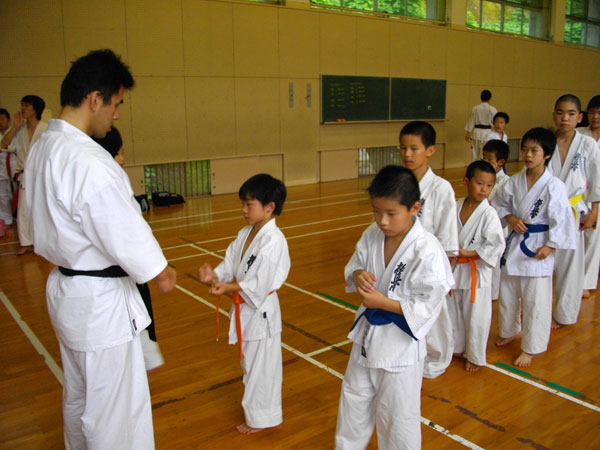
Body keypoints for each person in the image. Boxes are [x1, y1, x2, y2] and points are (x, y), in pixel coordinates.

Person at [25, 49, 176, 450]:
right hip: (99, 303)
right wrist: (160, 270)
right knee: (114, 412)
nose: (116, 114)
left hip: (67, 290)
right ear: (95, 99)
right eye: (116, 103)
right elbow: (123, 232)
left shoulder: (43, 146)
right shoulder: (89, 160)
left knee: (80, 395)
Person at [335, 165, 453, 449]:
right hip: (366, 338)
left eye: (391, 213)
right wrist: (358, 274)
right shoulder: (372, 234)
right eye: (376, 212)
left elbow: (428, 304)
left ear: (414, 208)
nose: (382, 221)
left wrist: (383, 303)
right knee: (353, 401)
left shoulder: (427, 249)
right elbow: (354, 263)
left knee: (397, 416)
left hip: (400, 347)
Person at [199, 173, 290, 435]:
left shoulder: (274, 240)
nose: (244, 210)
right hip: (246, 310)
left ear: (269, 207)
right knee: (250, 365)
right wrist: (215, 274)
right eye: (243, 204)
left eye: (249, 204)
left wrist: (229, 287)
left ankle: (261, 419)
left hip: (261, 312)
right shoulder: (245, 233)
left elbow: (261, 281)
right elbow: (230, 264)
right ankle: (259, 415)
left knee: (261, 369)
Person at [493, 128, 576, 367]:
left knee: (535, 300)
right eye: (525, 149)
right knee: (508, 294)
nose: (528, 155)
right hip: (515, 244)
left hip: (538, 246)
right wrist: (510, 219)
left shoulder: (554, 185)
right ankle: (510, 331)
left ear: (546, 154)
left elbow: (562, 218)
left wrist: (550, 246)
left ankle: (531, 346)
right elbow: (498, 205)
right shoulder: (514, 181)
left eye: (534, 150)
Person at [92, 126, 164, 371]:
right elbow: (129, 236)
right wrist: (159, 271)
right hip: (114, 282)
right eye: (119, 153)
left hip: (124, 280)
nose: (122, 159)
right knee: (131, 345)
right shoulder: (107, 183)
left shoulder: (112, 181)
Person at [399, 121, 458, 379]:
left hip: (429, 262)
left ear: (430, 150)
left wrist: (444, 270)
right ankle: (410, 353)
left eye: (414, 148)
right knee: (404, 309)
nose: (407, 154)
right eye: (403, 148)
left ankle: (436, 358)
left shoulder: (441, 188)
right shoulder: (397, 183)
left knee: (434, 314)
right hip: (400, 259)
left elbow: (447, 233)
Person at [549, 94, 600, 328]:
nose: (565, 118)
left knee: (571, 265)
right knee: (545, 262)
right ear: (554, 115)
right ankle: (541, 309)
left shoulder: (587, 144)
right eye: (560, 113)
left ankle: (565, 314)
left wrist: (594, 210)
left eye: (571, 114)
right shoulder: (547, 142)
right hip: (548, 210)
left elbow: (596, 180)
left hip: (574, 210)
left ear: (579, 117)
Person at [448, 161, 504, 372]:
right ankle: (457, 346)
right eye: (480, 183)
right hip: (454, 268)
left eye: (489, 185)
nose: (484, 189)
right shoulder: (455, 206)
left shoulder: (489, 214)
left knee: (476, 316)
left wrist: (468, 253)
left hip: (476, 272)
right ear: (466, 181)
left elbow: (496, 245)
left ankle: (475, 355)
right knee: (453, 311)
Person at [1, 95, 47, 254]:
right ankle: (26, 242)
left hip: (41, 174)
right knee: (23, 210)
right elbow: (4, 145)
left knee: (42, 210)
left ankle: (43, 242)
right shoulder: (19, 130)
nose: (23, 108)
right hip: (25, 175)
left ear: (36, 108)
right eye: (22, 105)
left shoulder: (46, 129)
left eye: (26, 105)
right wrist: (14, 127)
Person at [482, 139, 511, 300]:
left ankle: (493, 295)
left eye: (489, 159)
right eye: (483, 158)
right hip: (482, 227)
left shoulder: (505, 182)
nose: (485, 162)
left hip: (499, 228)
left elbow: (504, 208)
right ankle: (486, 292)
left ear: (501, 162)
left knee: (494, 264)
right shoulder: (483, 177)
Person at [580, 95, 600, 297]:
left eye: (599, 113)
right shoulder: (579, 135)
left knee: (594, 238)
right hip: (579, 192)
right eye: (592, 112)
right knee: (577, 236)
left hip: (597, 193)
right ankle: (571, 276)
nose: (595, 117)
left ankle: (586, 280)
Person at [465, 89, 497, 161]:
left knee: (474, 155)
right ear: (490, 98)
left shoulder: (475, 109)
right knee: (484, 154)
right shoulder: (493, 109)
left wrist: (468, 133)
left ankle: (474, 167)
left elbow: (471, 121)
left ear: (481, 97)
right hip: (488, 133)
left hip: (476, 133)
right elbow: (495, 123)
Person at [0, 109, 14, 230]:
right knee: (3, 197)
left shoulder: (16, 132)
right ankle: (6, 220)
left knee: (15, 196)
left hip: (15, 170)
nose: (0, 122)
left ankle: (16, 218)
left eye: (2, 119)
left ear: (8, 120)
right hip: (2, 172)